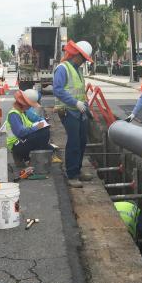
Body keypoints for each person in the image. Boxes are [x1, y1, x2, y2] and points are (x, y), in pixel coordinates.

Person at [53, 40, 93, 186]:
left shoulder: (77, 69)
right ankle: (72, 174)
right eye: (82, 58)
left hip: (79, 112)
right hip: (68, 111)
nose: (83, 62)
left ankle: (78, 170)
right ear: (76, 54)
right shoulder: (63, 68)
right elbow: (58, 89)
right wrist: (75, 103)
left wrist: (84, 105)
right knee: (74, 142)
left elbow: (79, 92)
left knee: (82, 141)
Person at [6, 89, 51, 166]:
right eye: (29, 105)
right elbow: (20, 132)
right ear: (24, 104)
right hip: (16, 145)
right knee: (44, 133)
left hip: (22, 141)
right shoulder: (14, 114)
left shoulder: (22, 112)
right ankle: (28, 159)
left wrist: (41, 124)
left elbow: (30, 124)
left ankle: (29, 158)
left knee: (49, 148)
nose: (30, 107)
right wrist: (36, 127)